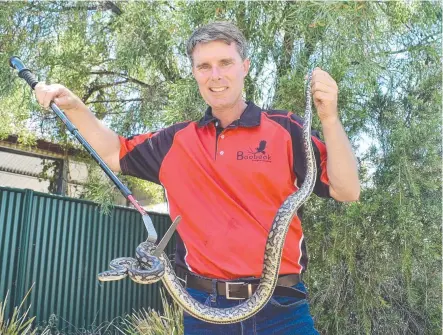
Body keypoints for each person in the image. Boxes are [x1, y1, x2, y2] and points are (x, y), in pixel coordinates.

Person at [35, 21, 360, 335]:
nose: (215, 75)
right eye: (204, 66)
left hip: (282, 308)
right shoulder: (175, 142)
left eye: (225, 63)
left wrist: (329, 116)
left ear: (244, 66)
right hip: (205, 310)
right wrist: (74, 105)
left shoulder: (286, 130)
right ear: (194, 73)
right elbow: (111, 153)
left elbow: (347, 190)